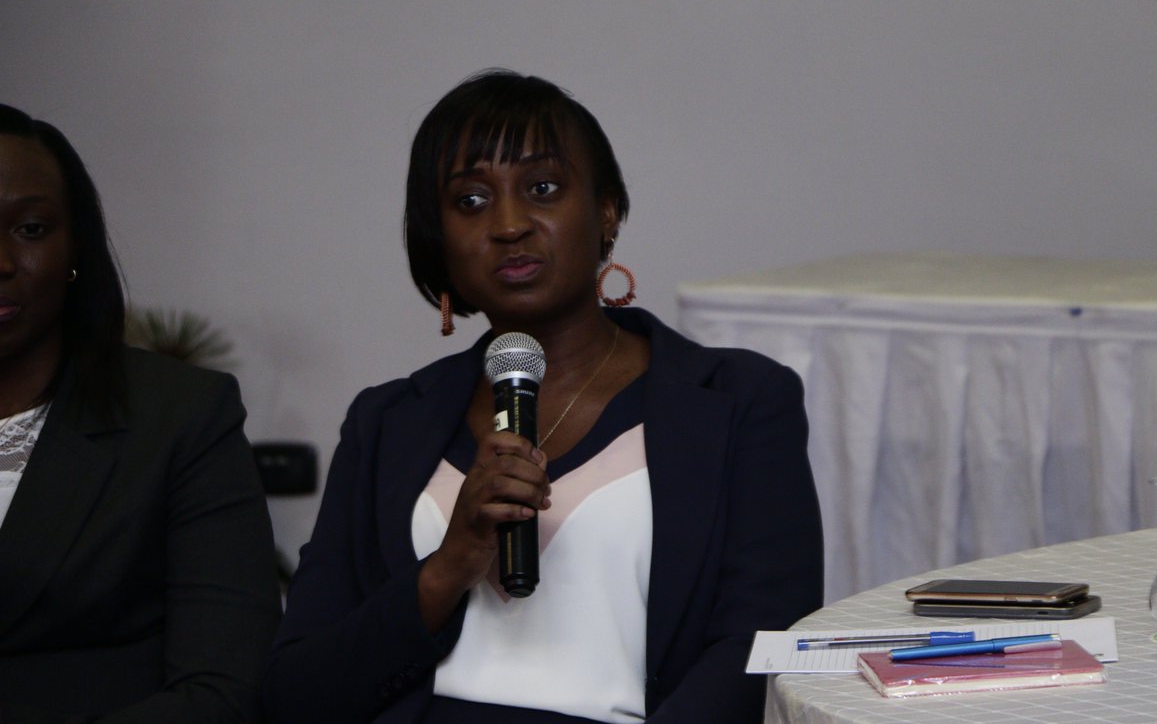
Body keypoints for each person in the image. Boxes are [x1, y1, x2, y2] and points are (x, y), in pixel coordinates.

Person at [263, 70, 823, 723]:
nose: (508, 225)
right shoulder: (386, 423)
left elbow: (758, 651)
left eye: (543, 188)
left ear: (606, 212)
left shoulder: (740, 403)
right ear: (439, 241)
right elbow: (295, 692)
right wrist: (447, 568)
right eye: (471, 200)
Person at [0, 104, 281, 722]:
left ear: (75, 247)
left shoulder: (180, 415)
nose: (1, 261)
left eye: (31, 229)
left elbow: (224, 686)